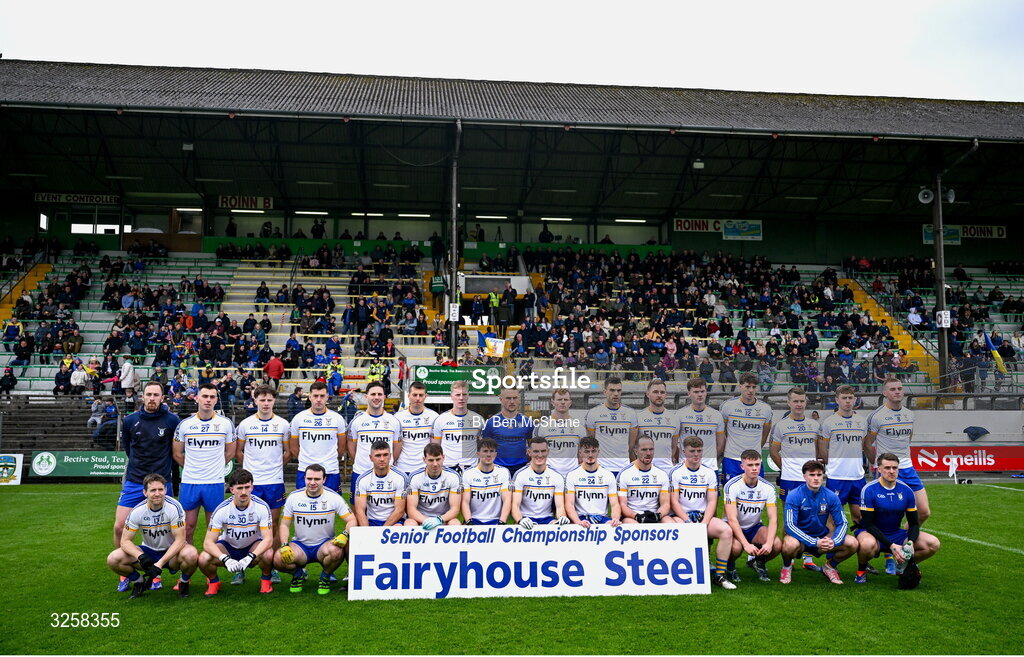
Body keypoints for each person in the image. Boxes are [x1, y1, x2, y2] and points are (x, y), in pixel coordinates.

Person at [113, 381, 180, 592]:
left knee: (163, 528)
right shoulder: (131, 420)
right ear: (143, 396)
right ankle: (126, 572)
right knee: (119, 526)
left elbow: (174, 450)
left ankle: (156, 572)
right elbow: (128, 449)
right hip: (135, 481)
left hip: (161, 483)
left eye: (156, 395)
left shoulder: (172, 420)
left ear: (162, 397)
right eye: (149, 394)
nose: (152, 398)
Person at [855, 452, 941, 586]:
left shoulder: (906, 490)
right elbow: (869, 524)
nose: (891, 471)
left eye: (895, 468)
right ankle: (861, 571)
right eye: (887, 468)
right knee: (867, 544)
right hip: (871, 533)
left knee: (933, 543)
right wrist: (892, 546)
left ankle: (904, 564)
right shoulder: (869, 489)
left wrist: (910, 542)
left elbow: (913, 523)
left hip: (896, 533)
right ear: (879, 469)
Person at [106, 474, 198, 599]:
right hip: (149, 551)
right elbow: (125, 541)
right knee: (113, 558)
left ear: (165, 490)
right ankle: (139, 582)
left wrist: (160, 563)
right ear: (145, 492)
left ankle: (184, 582)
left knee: (191, 554)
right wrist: (141, 556)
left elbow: (181, 540)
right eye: (153, 490)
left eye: (160, 489)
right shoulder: (137, 511)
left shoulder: (174, 507)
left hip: (172, 553)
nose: (157, 493)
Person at [234, 384, 290, 585]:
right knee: (249, 525)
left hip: (274, 482)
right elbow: (238, 451)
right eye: (262, 400)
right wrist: (251, 469)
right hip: (252, 483)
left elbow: (288, 452)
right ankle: (240, 567)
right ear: (255, 400)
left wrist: (274, 467)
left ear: (274, 401)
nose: (266, 403)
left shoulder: (283, 424)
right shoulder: (246, 424)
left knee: (273, 525)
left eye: (269, 400)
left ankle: (272, 566)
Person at [275, 464, 356, 595]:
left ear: (324, 480)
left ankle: (325, 576)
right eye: (309, 478)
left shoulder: (333, 497)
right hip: (301, 546)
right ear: (304, 479)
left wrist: (345, 534)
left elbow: (352, 520)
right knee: (278, 558)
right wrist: (284, 544)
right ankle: (298, 575)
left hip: (324, 545)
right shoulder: (294, 497)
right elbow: (284, 524)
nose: (312, 482)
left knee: (336, 552)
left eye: (317, 479)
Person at [865, 377, 930, 539]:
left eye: (899, 389)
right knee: (884, 516)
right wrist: (878, 466)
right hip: (886, 470)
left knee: (924, 512)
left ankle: (904, 541)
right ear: (885, 393)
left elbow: (908, 439)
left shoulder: (909, 414)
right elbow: (867, 444)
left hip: (907, 468)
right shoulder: (876, 416)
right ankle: (888, 553)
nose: (897, 392)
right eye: (893, 389)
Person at [668, 436, 736, 589]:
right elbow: (674, 502)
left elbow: (712, 501)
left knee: (726, 531)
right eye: (692, 451)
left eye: (699, 451)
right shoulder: (676, 472)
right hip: (681, 516)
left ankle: (719, 575)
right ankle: (684, 570)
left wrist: (704, 522)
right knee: (680, 530)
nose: (696, 454)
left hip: (703, 516)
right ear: (684, 451)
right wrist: (687, 521)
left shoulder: (709, 472)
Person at [173, 384, 235, 546]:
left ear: (216, 400)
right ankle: (187, 568)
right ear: (197, 398)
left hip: (214, 483)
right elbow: (177, 454)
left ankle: (211, 569)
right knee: (187, 528)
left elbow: (230, 452)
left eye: (212, 397)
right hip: (190, 482)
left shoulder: (225, 423)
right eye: (205, 396)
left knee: (214, 529)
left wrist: (214, 466)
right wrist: (193, 468)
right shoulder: (185, 424)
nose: (208, 400)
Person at [779, 460, 858, 585]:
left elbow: (842, 523)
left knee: (852, 543)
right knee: (789, 544)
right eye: (812, 475)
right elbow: (790, 525)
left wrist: (834, 541)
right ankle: (787, 566)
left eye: (819, 475)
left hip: (822, 537)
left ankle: (830, 567)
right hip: (800, 540)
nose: (816, 478)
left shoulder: (831, 496)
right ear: (804, 476)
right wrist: (814, 542)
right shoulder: (794, 495)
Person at [198, 469, 275, 595]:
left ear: (252, 487)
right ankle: (214, 582)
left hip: (252, 547)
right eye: (239, 488)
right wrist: (225, 558)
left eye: (247, 487)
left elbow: (268, 539)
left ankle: (266, 580)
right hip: (228, 547)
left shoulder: (262, 507)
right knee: (203, 558)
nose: (243, 492)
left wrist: (251, 556)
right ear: (232, 489)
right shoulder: (222, 510)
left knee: (268, 553)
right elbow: (208, 543)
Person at [723, 449, 781, 583]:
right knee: (736, 547)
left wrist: (769, 543)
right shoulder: (731, 486)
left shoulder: (768, 487)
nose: (754, 468)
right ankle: (730, 567)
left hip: (754, 527)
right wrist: (745, 545)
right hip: (732, 527)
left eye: (757, 464)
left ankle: (758, 563)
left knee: (776, 544)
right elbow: (731, 519)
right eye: (750, 465)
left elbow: (773, 519)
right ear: (742, 466)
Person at [818, 385, 868, 528]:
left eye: (850, 398)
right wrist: (834, 465)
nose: (847, 401)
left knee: (859, 516)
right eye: (844, 398)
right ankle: (831, 549)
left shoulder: (862, 422)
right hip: (837, 478)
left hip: (857, 477)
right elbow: (823, 449)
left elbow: (862, 445)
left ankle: (864, 547)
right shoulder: (829, 422)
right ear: (837, 400)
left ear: (855, 399)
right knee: (833, 518)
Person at [289, 381, 347, 493]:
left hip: (330, 470)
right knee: (303, 507)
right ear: (310, 397)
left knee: (331, 507)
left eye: (322, 396)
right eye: (315, 396)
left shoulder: (337, 419)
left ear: (327, 397)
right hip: (305, 470)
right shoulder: (299, 418)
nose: (319, 399)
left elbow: (341, 447)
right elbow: (294, 448)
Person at [347, 381, 402, 496]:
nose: (376, 397)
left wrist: (388, 462)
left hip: (387, 473)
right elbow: (351, 447)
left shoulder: (394, 421)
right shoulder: (357, 421)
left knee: (386, 508)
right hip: (361, 472)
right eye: (373, 394)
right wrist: (361, 461)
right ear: (366, 397)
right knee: (358, 508)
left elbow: (397, 447)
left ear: (384, 397)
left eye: (379, 394)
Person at [769, 388, 820, 503]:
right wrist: (786, 469)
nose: (799, 404)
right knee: (789, 515)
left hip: (810, 478)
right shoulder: (781, 425)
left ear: (806, 402)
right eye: (795, 401)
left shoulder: (815, 425)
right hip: (789, 478)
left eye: (802, 401)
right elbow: (773, 452)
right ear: (789, 402)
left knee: (811, 514)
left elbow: (817, 451)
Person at [719, 372, 773, 480]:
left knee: (755, 494)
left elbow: (765, 434)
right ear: (740, 386)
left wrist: (755, 449)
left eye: (754, 387)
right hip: (732, 458)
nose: (751, 390)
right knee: (731, 494)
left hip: (754, 460)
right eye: (747, 386)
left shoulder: (765, 409)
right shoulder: (728, 406)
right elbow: (722, 432)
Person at [585, 376, 639, 476]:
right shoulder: (593, 413)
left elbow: (631, 444)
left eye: (619, 390)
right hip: (601, 468)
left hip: (624, 468)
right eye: (612, 390)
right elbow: (592, 441)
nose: (616, 394)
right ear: (604, 392)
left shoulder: (630, 413)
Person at [511, 437, 570, 527]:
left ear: (548, 452)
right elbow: (515, 505)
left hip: (547, 519)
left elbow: (560, 506)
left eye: (543, 451)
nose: (540, 455)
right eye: (536, 451)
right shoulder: (520, 474)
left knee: (562, 527)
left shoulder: (557, 476)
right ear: (529, 452)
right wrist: (520, 520)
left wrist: (562, 517)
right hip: (526, 517)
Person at [564, 437, 621, 527]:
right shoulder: (572, 475)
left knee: (614, 526)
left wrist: (615, 519)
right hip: (581, 517)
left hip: (602, 518)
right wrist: (577, 521)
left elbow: (615, 504)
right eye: (586, 451)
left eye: (593, 451)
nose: (590, 455)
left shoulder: (608, 475)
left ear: (598, 452)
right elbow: (569, 504)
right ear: (580, 453)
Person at [675, 377, 726, 478]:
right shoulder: (680, 414)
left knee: (711, 494)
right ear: (689, 393)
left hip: (709, 466)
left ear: (706, 392)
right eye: (696, 392)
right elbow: (673, 443)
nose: (700, 394)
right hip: (686, 466)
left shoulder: (716, 415)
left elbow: (720, 444)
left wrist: (710, 458)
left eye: (702, 391)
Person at [617, 436, 673, 524]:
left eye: (651, 449)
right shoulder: (624, 473)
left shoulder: (662, 474)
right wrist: (636, 516)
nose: (648, 453)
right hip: (633, 516)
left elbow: (665, 504)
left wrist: (658, 515)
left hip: (654, 515)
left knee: (670, 523)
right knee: (633, 525)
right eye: (644, 450)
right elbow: (622, 505)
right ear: (636, 451)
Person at [534, 388, 589, 478]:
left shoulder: (580, 427)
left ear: (570, 403)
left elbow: (582, 455)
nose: (562, 402)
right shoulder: (541, 427)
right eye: (559, 399)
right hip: (549, 475)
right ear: (553, 402)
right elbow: (536, 454)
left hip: (573, 475)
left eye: (566, 400)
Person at [404, 443, 463, 527]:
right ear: (424, 460)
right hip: (421, 519)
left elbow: (455, 509)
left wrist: (438, 520)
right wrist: (427, 521)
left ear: (443, 457)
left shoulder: (453, 476)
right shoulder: (415, 477)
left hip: (443, 518)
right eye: (431, 460)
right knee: (409, 523)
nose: (435, 464)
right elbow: (411, 510)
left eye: (438, 459)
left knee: (455, 523)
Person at [432, 380, 484, 473]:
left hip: (471, 468)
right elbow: (435, 448)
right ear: (451, 396)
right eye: (457, 395)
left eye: (464, 394)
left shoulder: (478, 419)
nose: (461, 398)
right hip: (447, 467)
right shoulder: (441, 419)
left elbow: (482, 447)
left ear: (468, 396)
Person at [482, 387, 533, 476]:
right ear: (501, 399)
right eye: (508, 398)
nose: (512, 401)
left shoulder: (527, 422)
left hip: (522, 468)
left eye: (515, 398)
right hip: (497, 468)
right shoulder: (491, 423)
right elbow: (485, 449)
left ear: (519, 399)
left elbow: (533, 447)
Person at [353, 441, 407, 526]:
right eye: (378, 455)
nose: (382, 459)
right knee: (352, 526)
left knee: (399, 527)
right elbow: (360, 511)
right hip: (372, 521)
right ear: (371, 458)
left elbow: (399, 511)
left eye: (385, 455)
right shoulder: (362, 479)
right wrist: (365, 531)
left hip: (395, 522)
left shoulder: (400, 477)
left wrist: (381, 531)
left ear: (390, 456)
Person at [460, 438, 512, 525]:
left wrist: (502, 522)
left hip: (495, 520)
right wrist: (469, 521)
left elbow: (507, 499)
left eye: (492, 451)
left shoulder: (503, 472)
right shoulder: (468, 473)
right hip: (474, 520)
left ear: (495, 454)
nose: (489, 455)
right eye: (485, 451)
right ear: (478, 454)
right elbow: (465, 501)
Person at [394, 381, 440, 477]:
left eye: (421, 395)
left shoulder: (434, 416)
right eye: (414, 395)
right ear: (408, 396)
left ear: (425, 397)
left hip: (425, 468)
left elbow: (436, 445)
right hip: (403, 467)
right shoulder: (398, 417)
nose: (417, 398)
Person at [636, 378, 677, 473]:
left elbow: (673, 446)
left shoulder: (674, 418)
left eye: (662, 392)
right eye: (655, 392)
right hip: (645, 469)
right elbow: (634, 446)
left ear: (666, 395)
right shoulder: (638, 417)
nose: (659, 395)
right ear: (648, 394)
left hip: (667, 469)